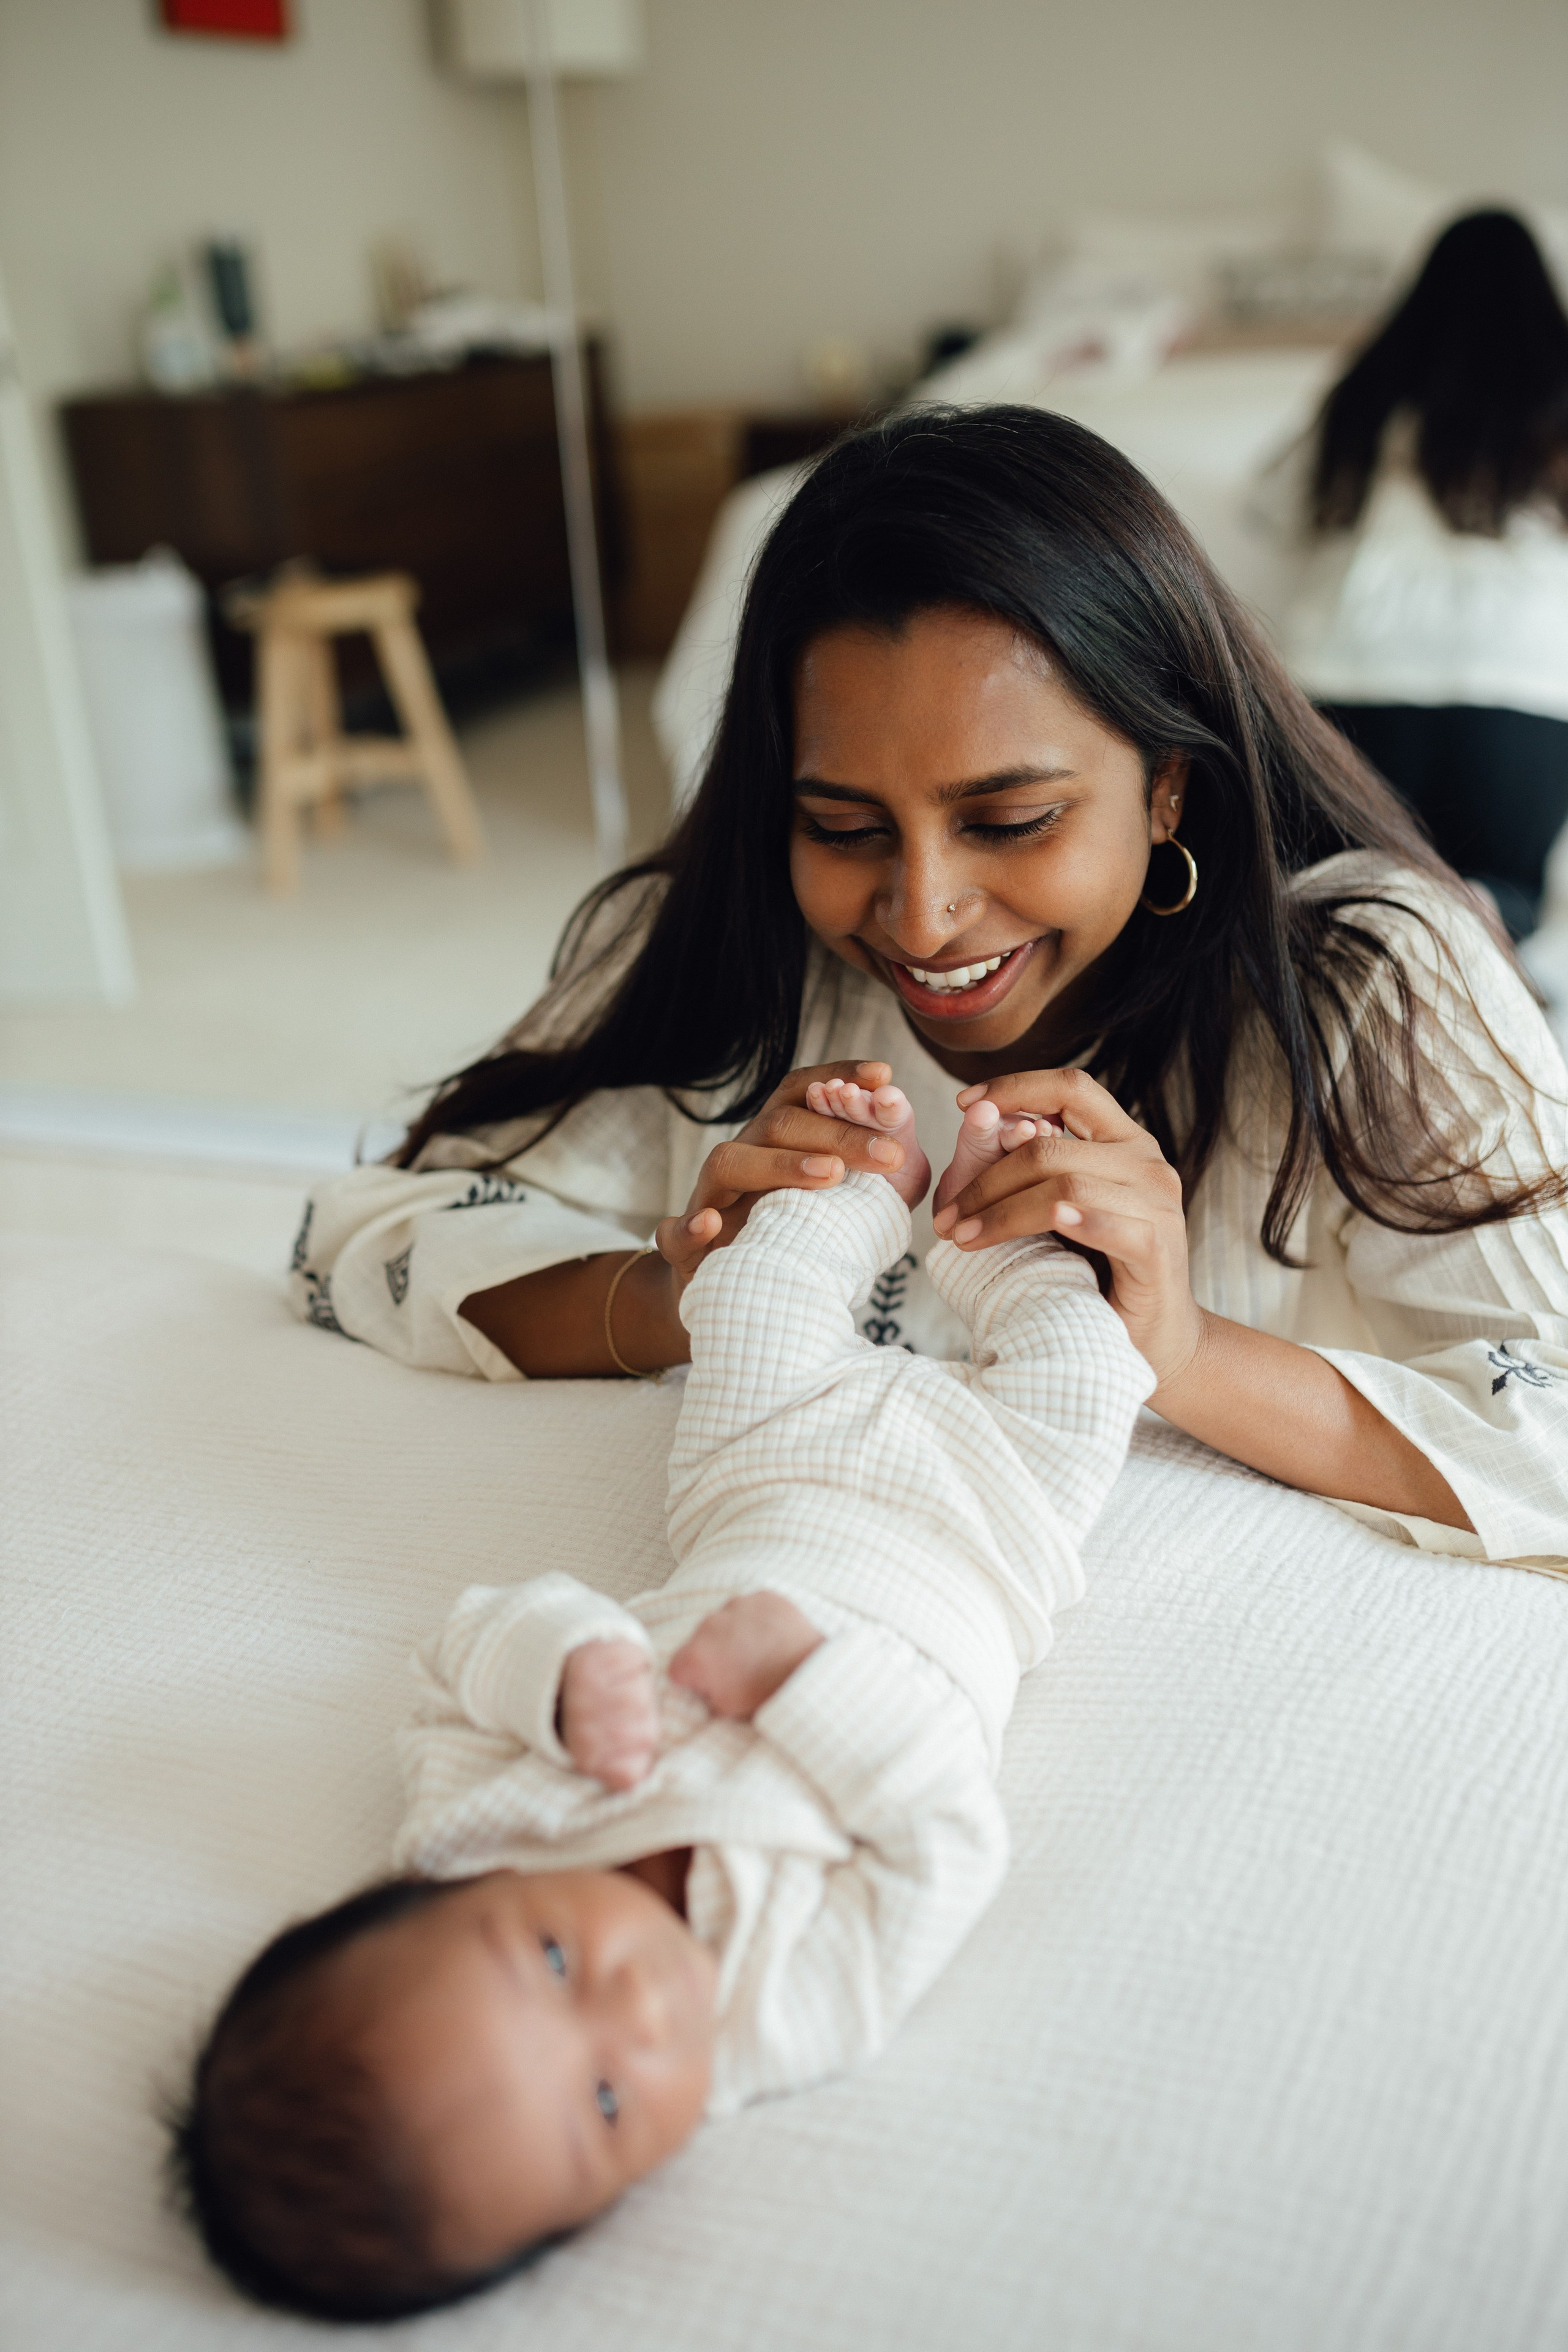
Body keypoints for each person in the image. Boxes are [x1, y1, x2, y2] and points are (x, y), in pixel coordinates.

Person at [290, 404, 1568, 1564]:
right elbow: (364, 1240)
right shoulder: (731, 942)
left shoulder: (1374, 985)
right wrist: (675, 1297)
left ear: (1166, 779)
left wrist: (1178, 1349)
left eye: (1008, 819)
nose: (919, 914)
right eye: (843, 828)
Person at [171, 1084, 1154, 2321]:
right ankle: (991, 1228)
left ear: (425, 1893)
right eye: (603, 2104)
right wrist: (807, 1687)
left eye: (551, 1959)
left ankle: (868, 1181)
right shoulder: (776, 2020)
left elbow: (459, 1657)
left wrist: (566, 1663)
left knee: (746, 1299)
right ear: (613, 2200)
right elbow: (941, 1848)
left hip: (763, 1472)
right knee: (1090, 1372)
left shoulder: (486, 1820)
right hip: (987, 1549)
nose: (632, 2011)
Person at [1281, 209, 1568, 942]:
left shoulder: (1362, 399)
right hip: (1518, 687)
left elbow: (1275, 513)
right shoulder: (1555, 405)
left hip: (1350, 678)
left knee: (1342, 890)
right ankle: (1485, 920)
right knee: (1506, 889)